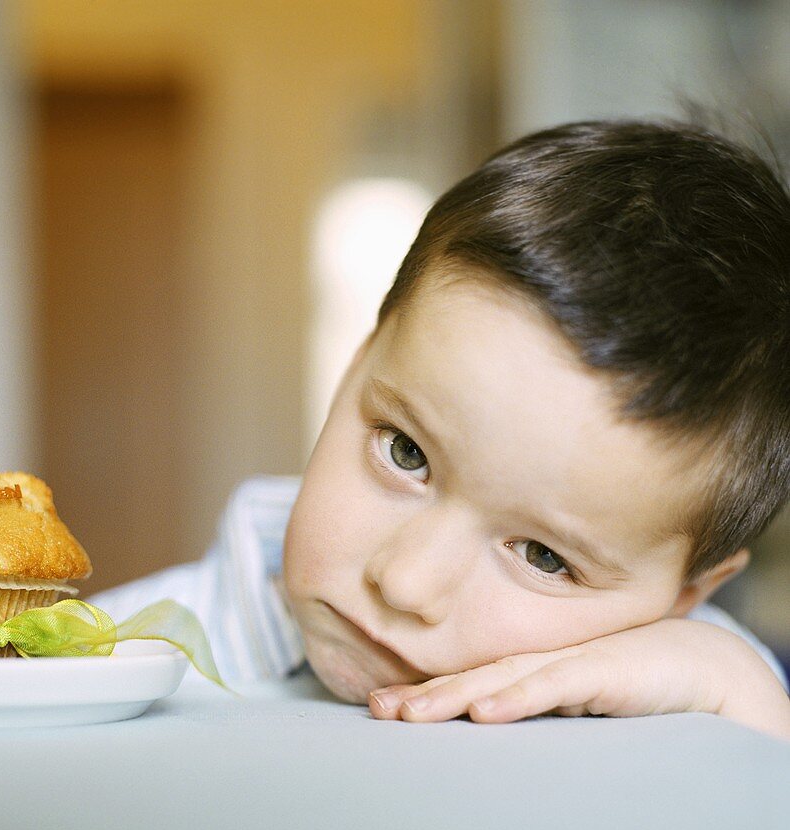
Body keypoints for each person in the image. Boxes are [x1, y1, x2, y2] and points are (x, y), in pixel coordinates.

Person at [89, 116, 790, 739]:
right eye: (405, 451)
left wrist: (739, 688)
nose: (406, 583)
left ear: (684, 594)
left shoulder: (703, 699)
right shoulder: (103, 662)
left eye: (544, 556)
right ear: (355, 368)